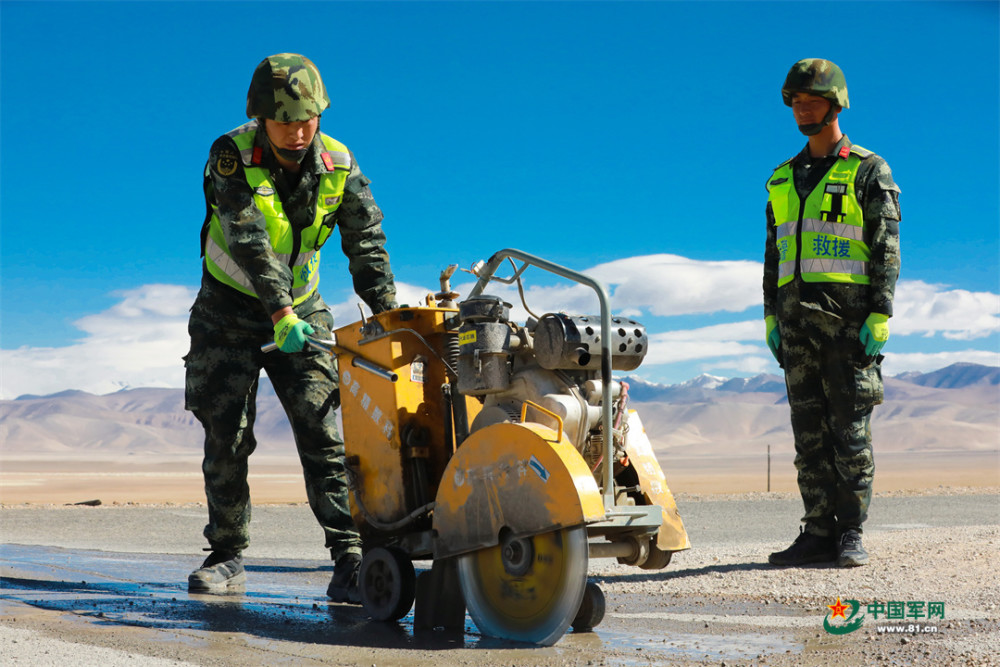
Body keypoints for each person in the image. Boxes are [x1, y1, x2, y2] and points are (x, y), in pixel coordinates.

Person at [184, 53, 397, 600]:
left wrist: (389, 319)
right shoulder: (230, 157)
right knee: (227, 437)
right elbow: (249, 240)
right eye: (284, 122)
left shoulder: (340, 163)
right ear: (259, 118)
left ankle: (350, 557)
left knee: (325, 432)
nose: (298, 133)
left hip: (302, 309)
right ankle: (227, 555)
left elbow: (366, 243)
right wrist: (278, 315)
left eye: (308, 121)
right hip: (228, 316)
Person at [763, 58, 901, 568]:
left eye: (812, 100)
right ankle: (817, 531)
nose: (802, 108)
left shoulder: (868, 169)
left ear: (836, 104)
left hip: (848, 325)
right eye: (796, 101)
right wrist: (771, 317)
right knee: (809, 435)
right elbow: (774, 253)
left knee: (850, 434)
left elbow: (886, 246)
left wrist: (880, 311)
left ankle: (851, 533)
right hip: (795, 323)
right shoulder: (780, 178)